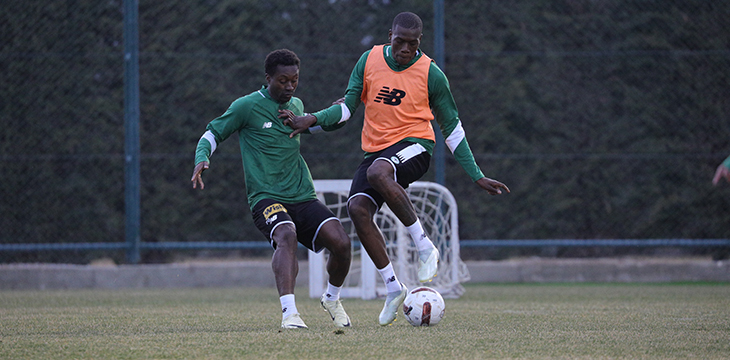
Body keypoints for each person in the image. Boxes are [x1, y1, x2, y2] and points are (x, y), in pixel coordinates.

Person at [283, 12, 510, 326]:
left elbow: (452, 127)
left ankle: (425, 246)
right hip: (377, 152)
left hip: (416, 146)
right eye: (399, 41)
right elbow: (347, 109)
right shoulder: (369, 60)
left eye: (412, 43)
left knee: (379, 173)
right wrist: (311, 122)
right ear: (390, 35)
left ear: (420, 42)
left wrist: (477, 174)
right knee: (357, 207)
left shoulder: (431, 73)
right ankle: (393, 287)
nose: (405, 48)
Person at [191, 49, 353, 329]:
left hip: (301, 196)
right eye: (283, 81)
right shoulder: (246, 106)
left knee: (342, 242)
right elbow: (212, 133)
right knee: (286, 234)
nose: (289, 86)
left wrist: (337, 116)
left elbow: (316, 128)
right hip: (266, 197)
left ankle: (331, 299)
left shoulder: (297, 106)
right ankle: (290, 314)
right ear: (268, 78)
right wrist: (202, 158)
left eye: (295, 80)